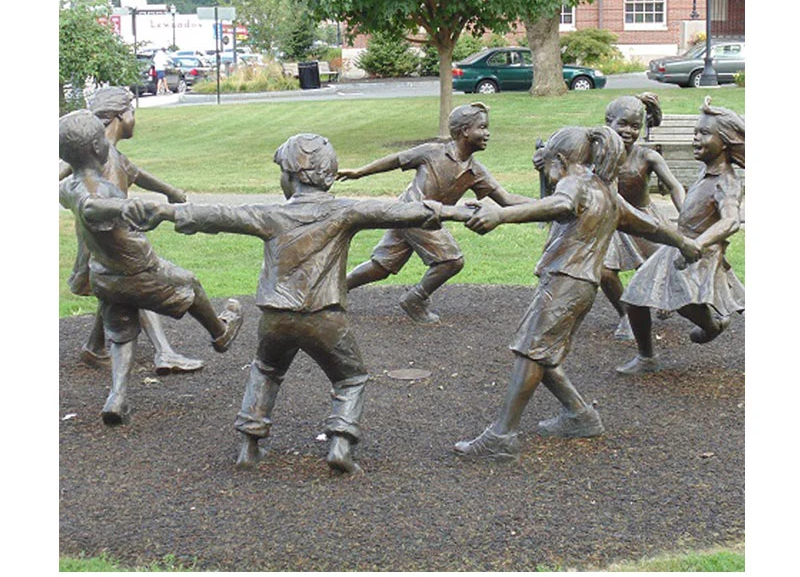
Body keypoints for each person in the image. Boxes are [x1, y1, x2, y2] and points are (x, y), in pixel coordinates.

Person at [125, 133, 474, 475]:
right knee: (351, 379)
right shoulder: (345, 211)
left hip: (276, 318)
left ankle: (249, 443)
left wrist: (167, 212)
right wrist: (455, 213)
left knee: (266, 370)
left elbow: (219, 215)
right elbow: (400, 212)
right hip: (325, 317)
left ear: (291, 177)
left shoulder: (271, 215)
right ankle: (340, 445)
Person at [452, 126, 699, 462]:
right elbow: (650, 225)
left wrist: (501, 215)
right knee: (542, 352)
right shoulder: (607, 192)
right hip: (582, 285)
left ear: (562, 159)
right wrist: (684, 242)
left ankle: (501, 435)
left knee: (531, 352)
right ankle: (580, 415)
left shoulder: (575, 183)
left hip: (565, 281)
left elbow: (561, 203)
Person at [58, 110, 243, 425]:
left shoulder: (69, 187)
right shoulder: (98, 195)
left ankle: (117, 397)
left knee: (121, 334)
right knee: (190, 283)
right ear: (95, 148)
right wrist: (129, 206)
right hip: (139, 271)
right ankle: (220, 333)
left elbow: (77, 199)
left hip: (104, 276)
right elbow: (94, 208)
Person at [338, 102, 534, 324]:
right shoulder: (433, 152)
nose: (487, 133)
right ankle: (415, 298)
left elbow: (506, 199)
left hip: (425, 219)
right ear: (465, 131)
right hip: (414, 213)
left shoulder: (475, 171)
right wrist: (359, 172)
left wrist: (544, 204)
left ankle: (334, 291)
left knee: (381, 266)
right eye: (482, 127)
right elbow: (396, 160)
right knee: (451, 260)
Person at [59, 86, 204, 374]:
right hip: (108, 242)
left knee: (118, 293)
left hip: (106, 243)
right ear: (117, 116)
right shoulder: (103, 160)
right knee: (135, 286)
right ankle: (164, 352)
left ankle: (95, 347)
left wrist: (170, 191)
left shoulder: (107, 154)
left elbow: (137, 174)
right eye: (131, 112)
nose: (134, 118)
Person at [616, 99, 745, 375]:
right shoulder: (707, 171)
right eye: (695, 132)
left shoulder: (727, 181)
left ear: (725, 142)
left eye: (704, 133)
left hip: (698, 252)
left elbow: (731, 220)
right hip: (679, 243)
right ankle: (646, 357)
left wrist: (699, 244)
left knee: (682, 300)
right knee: (635, 298)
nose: (695, 137)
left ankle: (711, 324)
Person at [600, 94, 685, 341]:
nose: (628, 131)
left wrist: (684, 212)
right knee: (605, 272)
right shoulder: (596, 152)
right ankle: (625, 314)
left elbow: (674, 186)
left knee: (660, 263)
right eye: (622, 124)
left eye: (635, 126)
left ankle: (662, 298)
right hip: (613, 221)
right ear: (608, 122)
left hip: (644, 219)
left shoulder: (647, 157)